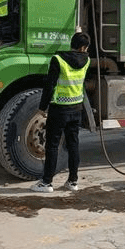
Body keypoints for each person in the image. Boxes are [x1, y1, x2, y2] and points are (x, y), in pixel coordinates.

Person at [31, 32, 91, 193]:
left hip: (59, 109)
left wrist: (42, 108)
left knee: (52, 145)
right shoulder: (86, 61)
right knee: (73, 144)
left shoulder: (58, 59)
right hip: (76, 108)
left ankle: (46, 182)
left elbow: (49, 85)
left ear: (71, 44)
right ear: (84, 47)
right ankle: (73, 181)